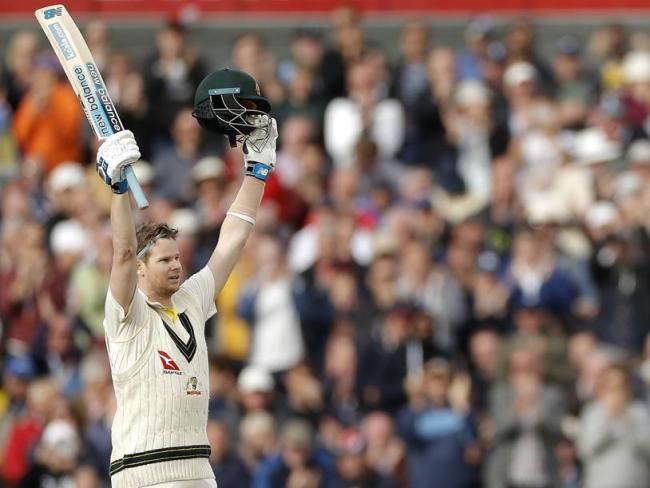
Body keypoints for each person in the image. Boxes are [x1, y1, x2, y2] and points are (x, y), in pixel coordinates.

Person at [96, 68, 278, 487]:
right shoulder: (126, 313)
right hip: (143, 473)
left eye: (177, 258)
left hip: (198, 471)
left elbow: (232, 239)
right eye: (164, 261)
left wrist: (258, 172)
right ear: (142, 269)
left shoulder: (192, 300)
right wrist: (117, 190)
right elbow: (122, 252)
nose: (176, 266)